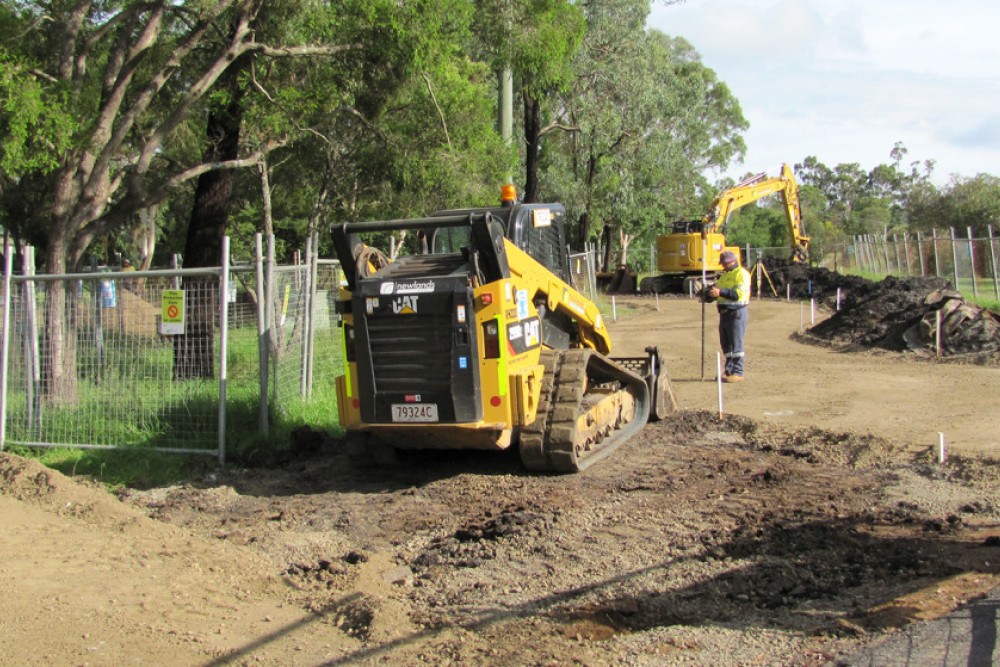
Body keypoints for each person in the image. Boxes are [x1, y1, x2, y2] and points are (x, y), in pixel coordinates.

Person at [706, 250, 751, 382]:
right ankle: (729, 370)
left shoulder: (741, 274)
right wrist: (710, 293)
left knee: (736, 343)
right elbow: (719, 291)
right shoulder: (725, 275)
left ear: (733, 261)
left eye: (725, 263)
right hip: (724, 313)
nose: (724, 266)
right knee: (727, 344)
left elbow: (737, 294)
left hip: (737, 312)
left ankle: (738, 371)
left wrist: (720, 291)